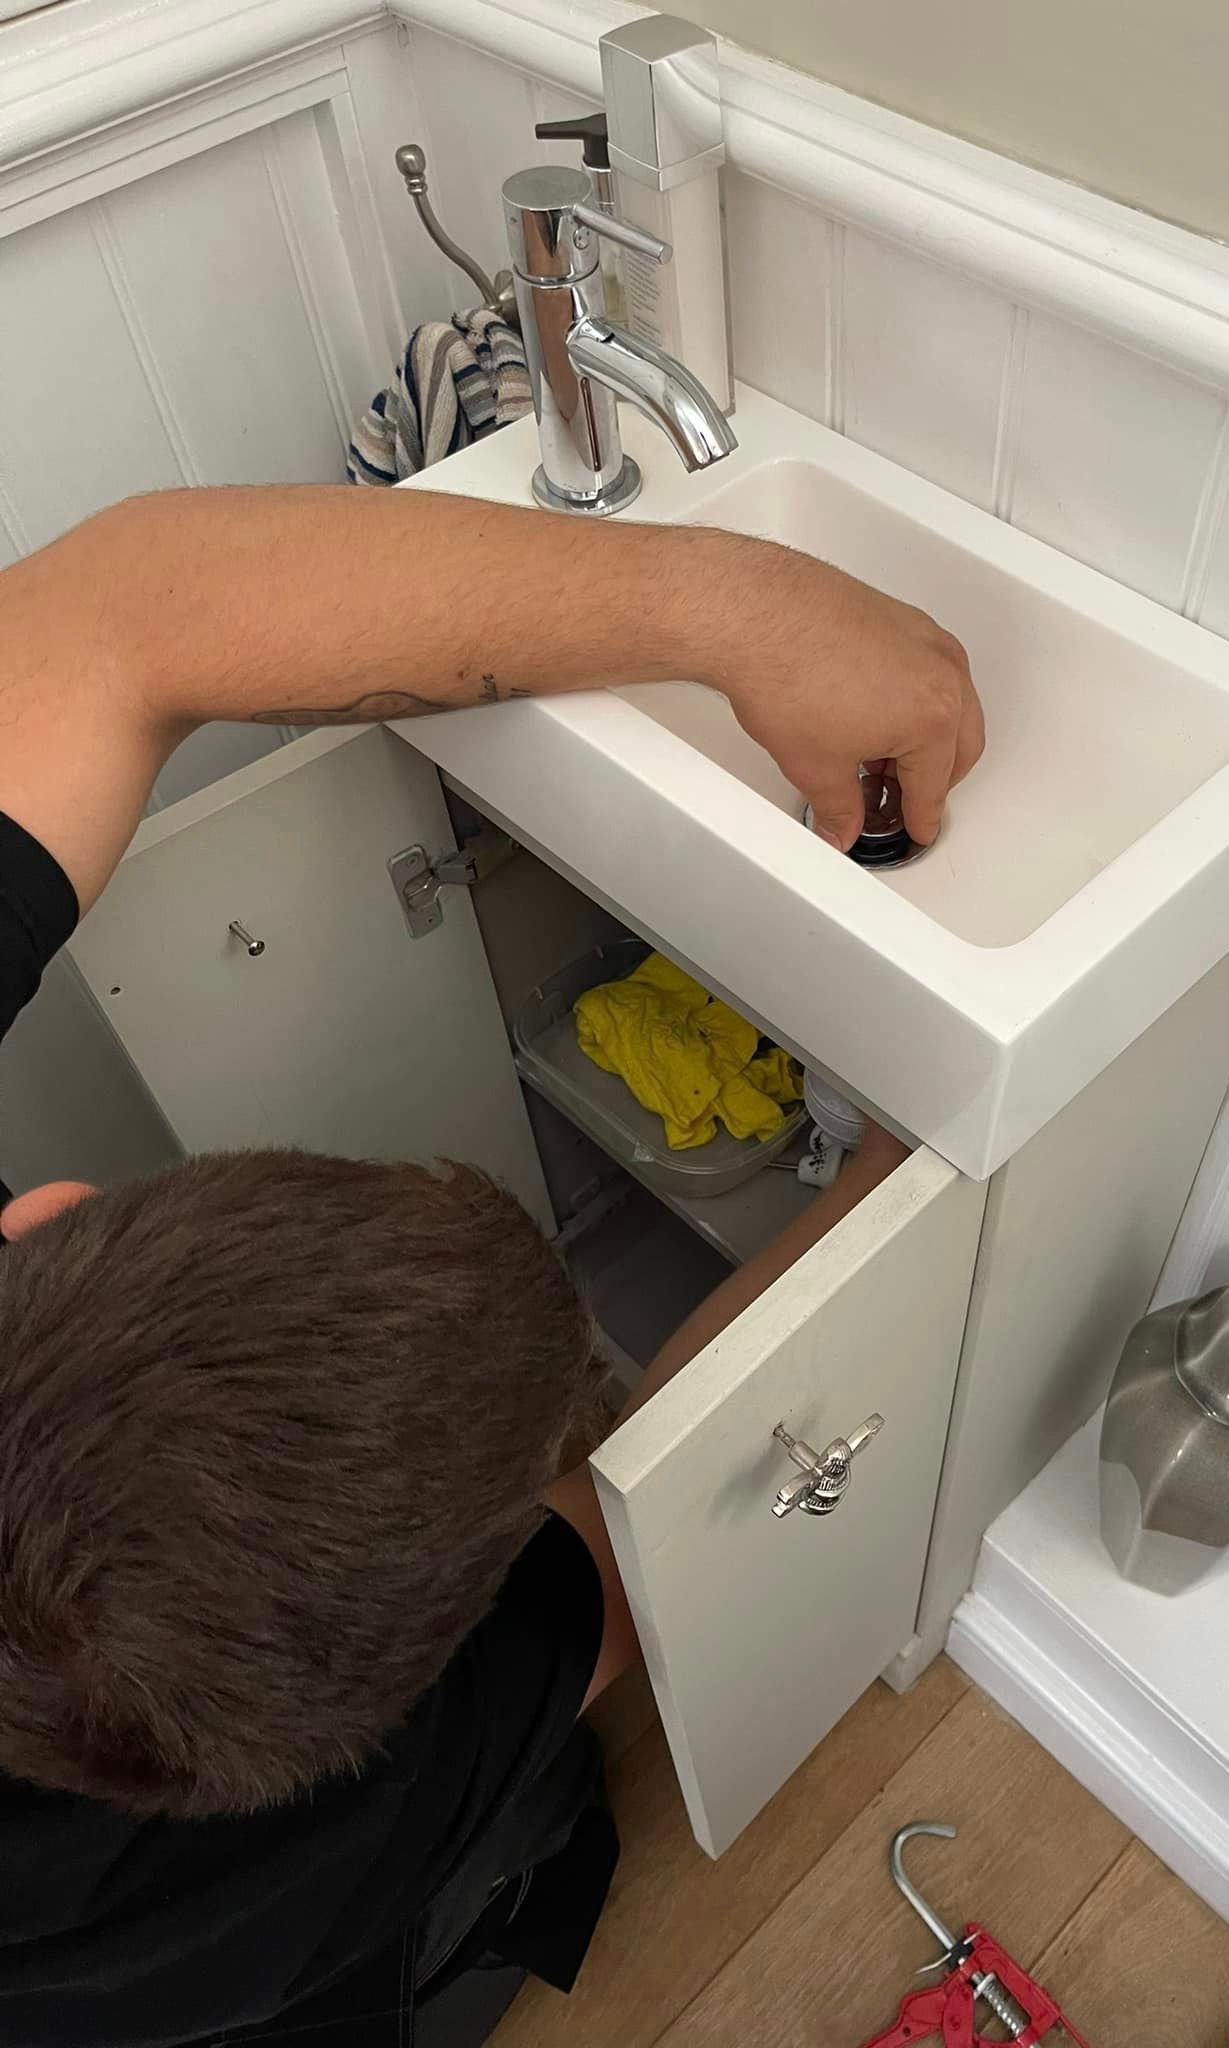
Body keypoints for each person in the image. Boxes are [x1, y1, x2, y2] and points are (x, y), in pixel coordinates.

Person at [0, 484, 984, 2048]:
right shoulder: (300, 1850)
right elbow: (642, 1527)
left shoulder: (246, 1788)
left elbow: (116, 606)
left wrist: (746, 613)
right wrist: (893, 1166)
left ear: (41, 1223)